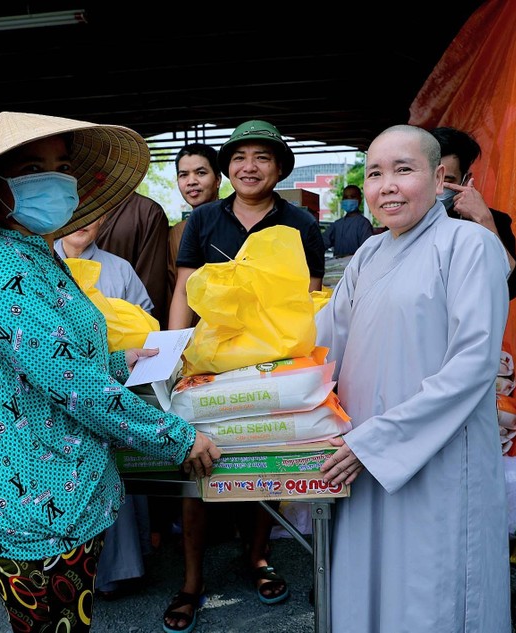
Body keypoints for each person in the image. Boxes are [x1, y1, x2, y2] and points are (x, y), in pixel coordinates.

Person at [0, 110, 220, 633]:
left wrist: (114, 361)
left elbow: (44, 366)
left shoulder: (36, 255)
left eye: (61, 165)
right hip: (38, 500)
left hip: (65, 487)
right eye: (36, 167)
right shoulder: (5, 267)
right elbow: (73, 386)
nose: (57, 178)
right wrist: (178, 438)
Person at [316, 125, 511, 632]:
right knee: (369, 585)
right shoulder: (368, 254)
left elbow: (472, 365)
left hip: (435, 456)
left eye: (403, 170)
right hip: (363, 445)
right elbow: (323, 343)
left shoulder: (469, 245)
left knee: (433, 591)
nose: (387, 186)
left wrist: (378, 441)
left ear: (439, 176)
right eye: (376, 173)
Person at [164, 120, 325, 633]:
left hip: (274, 359)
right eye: (239, 158)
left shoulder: (300, 221)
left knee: (262, 454)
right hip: (211, 359)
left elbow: (310, 297)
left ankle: (257, 558)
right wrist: (174, 353)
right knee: (198, 460)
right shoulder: (205, 219)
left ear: (280, 168)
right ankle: (191, 581)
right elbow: (184, 290)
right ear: (227, 168)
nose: (248, 167)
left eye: (262, 158)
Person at [53, 214, 154, 599]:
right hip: (57, 390)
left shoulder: (119, 268)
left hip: (111, 385)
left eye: (91, 215)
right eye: (71, 215)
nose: (81, 223)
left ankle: (118, 570)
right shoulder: (41, 265)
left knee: (115, 476)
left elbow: (144, 318)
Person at [430, 126, 516, 300]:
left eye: (447, 180)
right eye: (432, 178)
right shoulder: (407, 221)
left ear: (466, 179)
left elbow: (511, 288)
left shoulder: (495, 221)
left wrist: (484, 221)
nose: (438, 188)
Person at [96, 191, 171, 328]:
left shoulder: (122, 269)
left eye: (91, 216)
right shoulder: (49, 260)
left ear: (101, 218)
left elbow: (150, 285)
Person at [167, 142, 222, 327]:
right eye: (184, 175)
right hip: (189, 334)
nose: (191, 181)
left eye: (201, 173)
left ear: (218, 179)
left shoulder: (235, 222)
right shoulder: (176, 232)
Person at [321, 184, 372, 257]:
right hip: (337, 266)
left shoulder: (363, 224)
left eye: (352, 197)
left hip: (356, 266)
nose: (348, 199)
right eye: (345, 197)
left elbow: (367, 251)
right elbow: (322, 243)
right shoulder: (337, 224)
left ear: (359, 200)